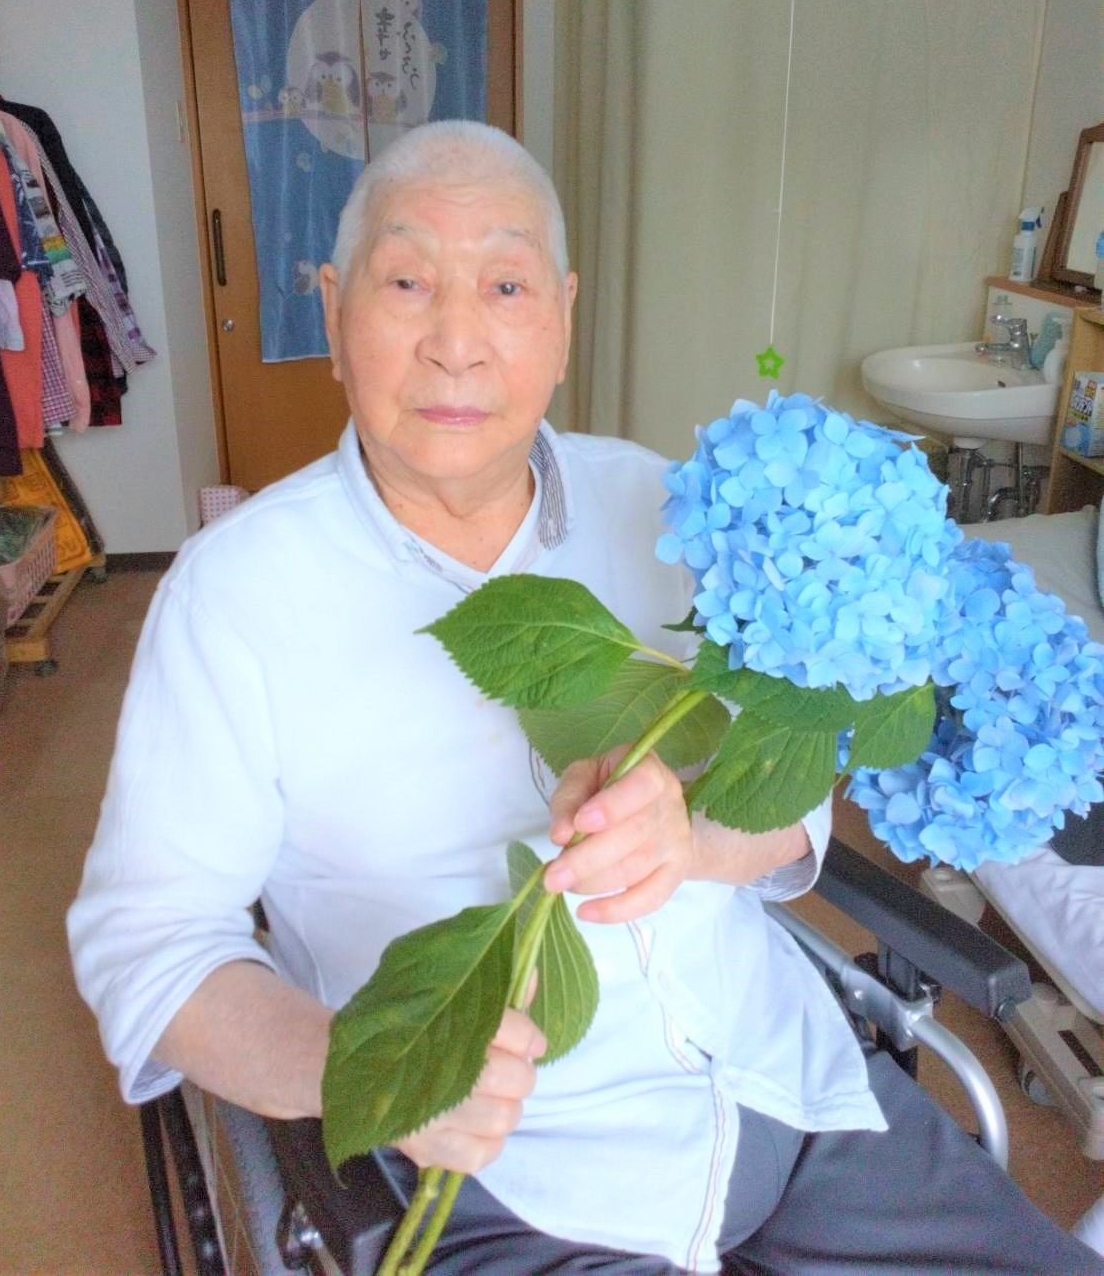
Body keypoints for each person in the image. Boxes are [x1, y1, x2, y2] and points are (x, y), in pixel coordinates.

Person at [69, 122, 1102, 1275]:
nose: (456, 342)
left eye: (505, 285)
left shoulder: (678, 511)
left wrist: (695, 839)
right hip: (516, 1181)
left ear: (560, 317)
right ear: (331, 312)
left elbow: (793, 803)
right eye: (406, 281)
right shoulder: (232, 595)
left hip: (791, 1089)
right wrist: (380, 1069)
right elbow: (149, 946)